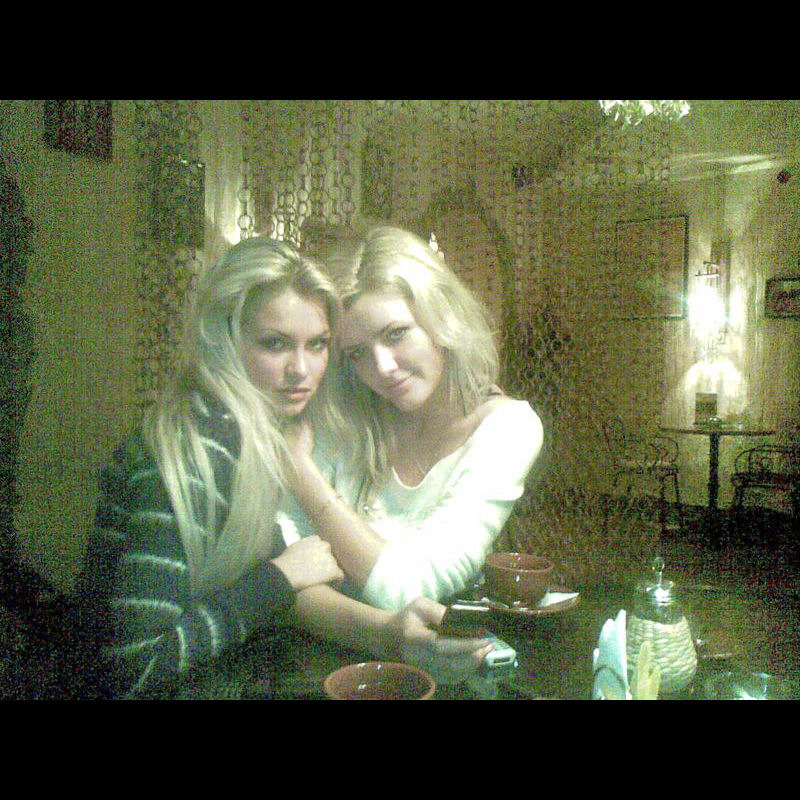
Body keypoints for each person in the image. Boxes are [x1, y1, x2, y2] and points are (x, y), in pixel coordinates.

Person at [76, 236, 491, 698]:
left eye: (318, 345)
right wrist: (278, 578)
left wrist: (389, 631)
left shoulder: (254, 433)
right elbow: (131, 670)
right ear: (224, 340)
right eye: (275, 344)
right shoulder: (199, 447)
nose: (301, 370)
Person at [280, 225, 544, 613]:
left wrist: (302, 473)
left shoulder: (508, 428)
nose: (382, 367)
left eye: (396, 334)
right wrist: (382, 633)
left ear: (441, 315)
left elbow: (411, 588)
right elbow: (284, 566)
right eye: (357, 353)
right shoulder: (346, 411)